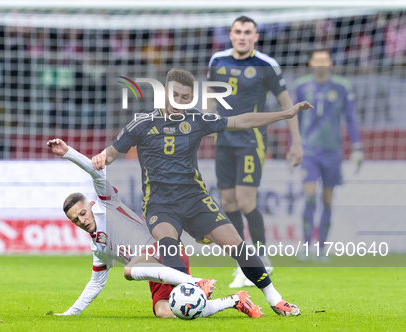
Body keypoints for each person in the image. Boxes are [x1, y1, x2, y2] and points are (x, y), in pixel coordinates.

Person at [93, 68, 313, 316]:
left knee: (239, 247)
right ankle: (196, 289)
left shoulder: (197, 120)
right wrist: (102, 158)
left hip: (196, 200)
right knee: (168, 246)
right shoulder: (141, 123)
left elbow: (240, 121)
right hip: (160, 204)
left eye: (185, 97)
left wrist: (285, 113)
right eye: (175, 94)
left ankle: (276, 300)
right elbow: (111, 153)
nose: (179, 101)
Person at [47, 138, 262, 318]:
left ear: (90, 206)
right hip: (153, 273)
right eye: (76, 220)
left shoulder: (106, 204)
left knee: (128, 270)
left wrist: (68, 153)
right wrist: (69, 314)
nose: (82, 221)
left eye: (82, 213)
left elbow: (96, 173)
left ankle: (197, 282)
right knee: (168, 312)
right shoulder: (99, 249)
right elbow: (94, 285)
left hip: (166, 249)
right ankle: (235, 300)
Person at [206, 16, 303, 288]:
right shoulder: (218, 60)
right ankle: (243, 262)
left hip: (252, 141)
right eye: (238, 32)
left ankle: (261, 258)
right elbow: (211, 98)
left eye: (248, 32)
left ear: (256, 37)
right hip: (223, 139)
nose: (242, 36)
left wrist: (296, 142)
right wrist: (205, 123)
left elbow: (287, 104)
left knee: (246, 201)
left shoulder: (266, 65)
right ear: (231, 34)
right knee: (227, 204)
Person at [294, 48, 363, 261]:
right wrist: (293, 146)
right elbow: (293, 119)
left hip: (333, 152)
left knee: (327, 201)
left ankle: (321, 248)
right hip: (310, 151)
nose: (322, 63)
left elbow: (350, 118)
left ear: (330, 63)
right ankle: (306, 246)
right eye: (318, 60)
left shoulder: (342, 87)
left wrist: (357, 147)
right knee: (309, 197)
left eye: (325, 60)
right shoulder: (301, 86)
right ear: (311, 63)